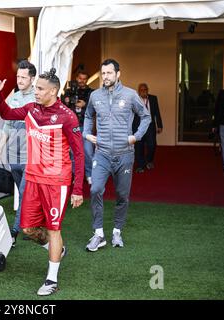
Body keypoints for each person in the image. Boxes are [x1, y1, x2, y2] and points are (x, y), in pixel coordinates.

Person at [0, 67, 84, 296]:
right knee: (28, 228)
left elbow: (80, 154)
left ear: (53, 91)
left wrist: (78, 189)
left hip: (56, 182)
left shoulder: (67, 116)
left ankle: (51, 279)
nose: (36, 92)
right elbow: (6, 114)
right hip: (33, 178)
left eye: (40, 89)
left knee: (54, 229)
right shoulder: (31, 109)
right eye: (36, 88)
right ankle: (57, 250)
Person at [83, 59, 151, 252]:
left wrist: (136, 137)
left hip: (125, 155)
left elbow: (146, 117)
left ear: (118, 74)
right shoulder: (95, 96)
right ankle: (98, 234)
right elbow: (88, 115)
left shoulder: (130, 95)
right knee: (95, 189)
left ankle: (117, 231)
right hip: (102, 153)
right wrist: (87, 134)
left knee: (122, 195)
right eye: (103, 73)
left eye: (109, 73)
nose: (105, 77)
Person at [0, 60, 35, 247]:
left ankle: (14, 233)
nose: (19, 80)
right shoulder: (14, 97)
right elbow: (7, 125)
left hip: (31, 156)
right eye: (18, 76)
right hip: (14, 155)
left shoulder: (39, 97)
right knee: (23, 191)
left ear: (32, 79)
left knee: (25, 193)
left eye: (23, 77)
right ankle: (33, 223)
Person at [62, 70, 95, 184]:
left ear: (87, 80)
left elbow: (95, 108)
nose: (82, 81)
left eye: (84, 79)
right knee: (73, 153)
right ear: (76, 78)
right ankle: (76, 175)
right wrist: (70, 101)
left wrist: (85, 104)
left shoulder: (92, 92)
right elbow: (63, 104)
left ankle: (89, 174)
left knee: (88, 151)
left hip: (85, 126)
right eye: (80, 78)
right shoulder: (69, 91)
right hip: (71, 126)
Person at [133, 83, 163, 173]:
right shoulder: (134, 99)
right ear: (139, 91)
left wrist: (160, 125)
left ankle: (149, 161)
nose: (143, 91)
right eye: (141, 90)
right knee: (139, 147)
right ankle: (140, 165)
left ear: (147, 90)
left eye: (145, 89)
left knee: (152, 145)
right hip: (139, 126)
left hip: (150, 126)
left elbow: (157, 112)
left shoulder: (153, 98)